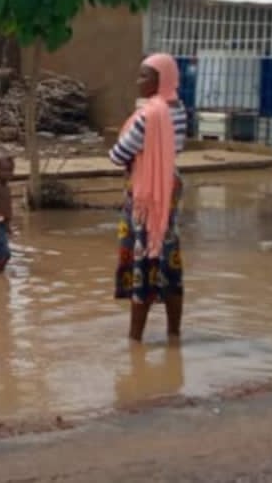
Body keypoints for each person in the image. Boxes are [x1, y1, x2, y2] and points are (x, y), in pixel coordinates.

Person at [109, 53, 189, 343]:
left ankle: (135, 340)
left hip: (145, 193)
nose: (138, 81)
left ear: (161, 80)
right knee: (168, 255)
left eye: (145, 76)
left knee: (143, 260)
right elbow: (177, 147)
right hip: (169, 187)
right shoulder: (179, 110)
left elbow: (118, 154)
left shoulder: (147, 116)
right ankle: (174, 334)